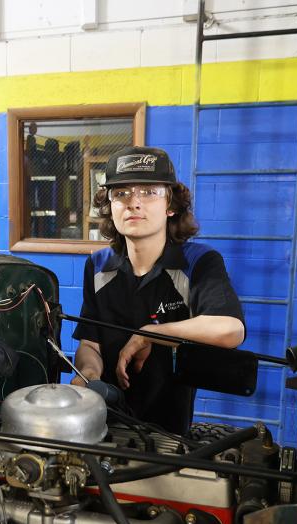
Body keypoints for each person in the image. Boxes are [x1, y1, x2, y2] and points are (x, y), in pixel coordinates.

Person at [71, 146, 244, 434]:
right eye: (121, 193)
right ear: (110, 206)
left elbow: (231, 329)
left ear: (170, 205)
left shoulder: (198, 262)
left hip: (169, 432)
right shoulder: (98, 265)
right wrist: (89, 375)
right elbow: (90, 344)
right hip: (103, 424)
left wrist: (150, 333)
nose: (133, 203)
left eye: (149, 192)